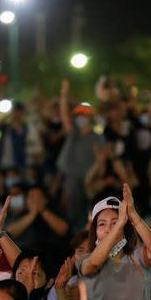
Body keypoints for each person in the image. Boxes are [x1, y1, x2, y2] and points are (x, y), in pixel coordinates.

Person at [77, 185, 151, 300]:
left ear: (125, 229)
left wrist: (133, 215)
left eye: (115, 222)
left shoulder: (137, 257)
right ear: (94, 232)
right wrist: (119, 223)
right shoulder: (85, 259)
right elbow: (94, 264)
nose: (108, 229)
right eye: (102, 224)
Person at [57, 80, 105, 228]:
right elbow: (64, 115)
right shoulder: (73, 133)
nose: (81, 118)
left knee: (90, 213)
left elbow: (101, 162)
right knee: (72, 212)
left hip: (88, 180)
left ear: (91, 118)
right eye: (79, 115)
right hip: (71, 178)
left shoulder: (97, 138)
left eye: (85, 115)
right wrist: (64, 94)